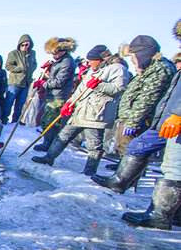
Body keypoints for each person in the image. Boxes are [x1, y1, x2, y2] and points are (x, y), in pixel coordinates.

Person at [120, 22, 181, 229]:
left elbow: (149, 97)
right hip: (168, 119)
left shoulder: (161, 69)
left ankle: (160, 216)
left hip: (176, 120)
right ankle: (173, 214)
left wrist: (178, 114)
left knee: (173, 168)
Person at [32, 45, 126, 174]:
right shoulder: (92, 70)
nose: (88, 63)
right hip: (81, 111)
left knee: (94, 144)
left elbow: (118, 88)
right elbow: (81, 89)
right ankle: (49, 157)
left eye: (91, 60)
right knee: (63, 135)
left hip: (96, 113)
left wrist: (100, 85)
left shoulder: (117, 69)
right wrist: (70, 103)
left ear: (99, 59)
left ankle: (89, 170)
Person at [111, 35, 175, 157]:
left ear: (143, 54)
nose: (133, 61)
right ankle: (122, 171)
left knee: (131, 148)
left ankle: (126, 175)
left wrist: (133, 122)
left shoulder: (160, 69)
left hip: (138, 118)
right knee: (123, 146)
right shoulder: (149, 69)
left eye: (134, 56)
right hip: (130, 116)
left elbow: (147, 98)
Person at [32, 37, 77, 151]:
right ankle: (47, 142)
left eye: (54, 53)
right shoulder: (59, 61)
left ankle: (48, 144)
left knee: (50, 121)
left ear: (61, 50)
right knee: (46, 119)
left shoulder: (67, 62)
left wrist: (44, 84)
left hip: (58, 96)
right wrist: (47, 71)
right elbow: (53, 77)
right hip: (52, 95)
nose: (53, 56)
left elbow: (60, 81)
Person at [4, 34, 37, 123]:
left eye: (27, 44)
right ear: (20, 44)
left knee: (20, 104)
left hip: (26, 83)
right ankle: (4, 119)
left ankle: (15, 121)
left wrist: (30, 71)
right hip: (14, 82)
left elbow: (34, 64)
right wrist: (20, 68)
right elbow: (8, 66)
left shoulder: (32, 54)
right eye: (23, 45)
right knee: (9, 102)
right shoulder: (13, 53)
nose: (25, 47)